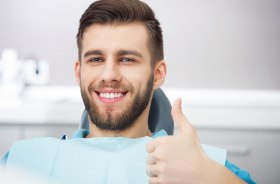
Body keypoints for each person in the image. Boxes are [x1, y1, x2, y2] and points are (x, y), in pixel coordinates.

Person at [1, 0, 255, 183]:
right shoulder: (21, 160)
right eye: (96, 59)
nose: (109, 75)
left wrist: (211, 178)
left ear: (158, 74)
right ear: (78, 72)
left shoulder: (205, 168)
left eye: (127, 59)